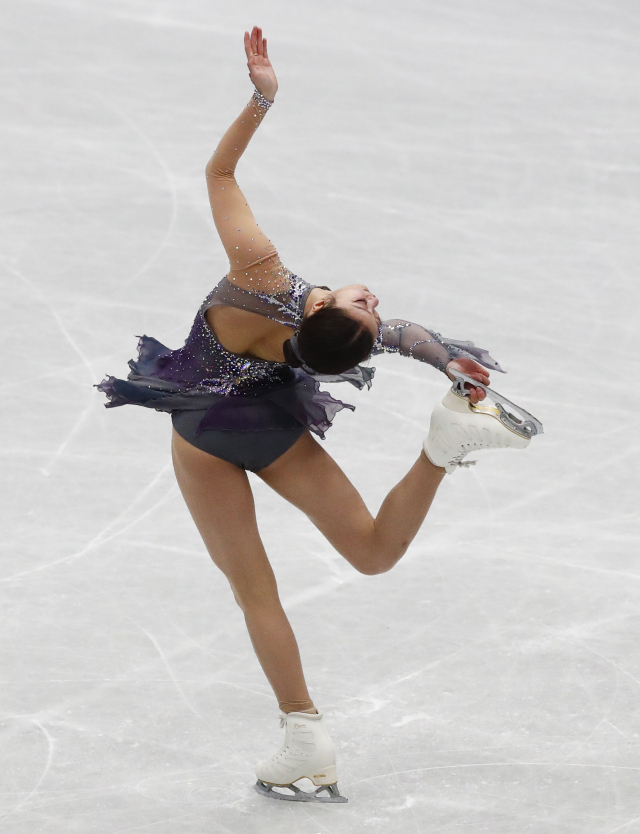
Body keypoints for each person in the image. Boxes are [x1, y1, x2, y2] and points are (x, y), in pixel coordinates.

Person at [96, 26, 542, 804]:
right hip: (262, 423)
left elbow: (220, 173)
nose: (376, 304)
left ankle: (304, 731)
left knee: (257, 587)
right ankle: (437, 452)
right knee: (363, 557)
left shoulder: (264, 277)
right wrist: (448, 363)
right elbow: (398, 335)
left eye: (367, 309)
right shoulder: (296, 315)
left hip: (206, 431)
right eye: (372, 309)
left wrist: (262, 99)